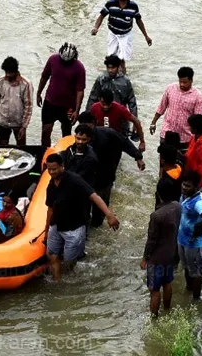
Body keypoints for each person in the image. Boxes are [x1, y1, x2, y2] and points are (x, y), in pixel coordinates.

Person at [43, 153, 120, 282]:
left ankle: (68, 280)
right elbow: (50, 209)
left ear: (62, 167)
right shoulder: (51, 185)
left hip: (74, 227)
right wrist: (46, 230)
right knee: (51, 255)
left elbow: (94, 196)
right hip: (56, 224)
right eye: (49, 169)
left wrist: (110, 215)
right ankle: (57, 282)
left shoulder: (74, 180)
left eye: (54, 169)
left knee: (69, 262)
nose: (51, 172)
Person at [77, 112, 145, 227]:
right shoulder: (78, 140)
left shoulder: (108, 134)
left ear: (94, 123)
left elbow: (124, 143)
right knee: (83, 209)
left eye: (87, 125)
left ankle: (96, 225)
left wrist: (138, 157)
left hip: (104, 177)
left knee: (99, 210)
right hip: (86, 179)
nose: (84, 130)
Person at [91, 0, 152, 74]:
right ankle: (109, 75)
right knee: (110, 57)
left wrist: (146, 36)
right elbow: (101, 16)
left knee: (122, 59)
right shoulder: (111, 4)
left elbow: (139, 21)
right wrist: (96, 28)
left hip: (126, 34)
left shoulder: (133, 6)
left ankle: (123, 77)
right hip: (113, 33)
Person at [141, 179, 181, 317]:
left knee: (154, 290)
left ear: (158, 194)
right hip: (170, 255)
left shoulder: (156, 216)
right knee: (167, 283)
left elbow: (151, 240)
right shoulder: (177, 206)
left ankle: (154, 318)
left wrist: (145, 258)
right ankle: (167, 309)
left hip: (156, 259)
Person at [36, 43, 86, 147]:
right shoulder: (52, 60)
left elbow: (80, 91)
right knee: (45, 131)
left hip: (68, 107)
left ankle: (66, 155)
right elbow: (44, 76)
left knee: (66, 133)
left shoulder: (79, 68)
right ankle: (45, 153)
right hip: (50, 103)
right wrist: (38, 93)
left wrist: (77, 110)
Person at [177, 170, 202, 301]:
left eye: (188, 186)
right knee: (186, 267)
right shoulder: (185, 196)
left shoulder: (198, 202)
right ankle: (188, 289)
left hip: (193, 243)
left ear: (196, 187)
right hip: (182, 240)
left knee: (196, 272)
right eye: (183, 184)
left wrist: (199, 229)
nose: (184, 187)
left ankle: (196, 299)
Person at [149, 67, 202, 152]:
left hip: (184, 138)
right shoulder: (170, 89)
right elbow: (161, 107)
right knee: (164, 161)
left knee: (182, 163)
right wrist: (153, 123)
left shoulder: (198, 97)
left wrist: (197, 140)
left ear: (191, 81)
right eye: (180, 81)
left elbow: (197, 122)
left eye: (185, 82)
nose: (182, 84)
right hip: (167, 133)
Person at [85, 54, 138, 139]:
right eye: (108, 68)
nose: (110, 70)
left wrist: (135, 121)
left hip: (120, 118)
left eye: (113, 68)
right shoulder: (101, 79)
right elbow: (93, 98)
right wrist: (87, 118)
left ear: (118, 67)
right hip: (102, 116)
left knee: (120, 142)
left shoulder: (125, 82)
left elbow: (132, 102)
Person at [0, 57, 33, 146]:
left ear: (15, 71)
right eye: (6, 72)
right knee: (2, 149)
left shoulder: (26, 84)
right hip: (3, 122)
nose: (7, 75)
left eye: (10, 73)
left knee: (22, 148)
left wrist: (24, 127)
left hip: (18, 123)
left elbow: (28, 107)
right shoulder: (0, 82)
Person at [155, 144, 182, 209]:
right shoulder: (180, 168)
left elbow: (161, 203)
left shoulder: (165, 181)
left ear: (163, 160)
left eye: (160, 156)